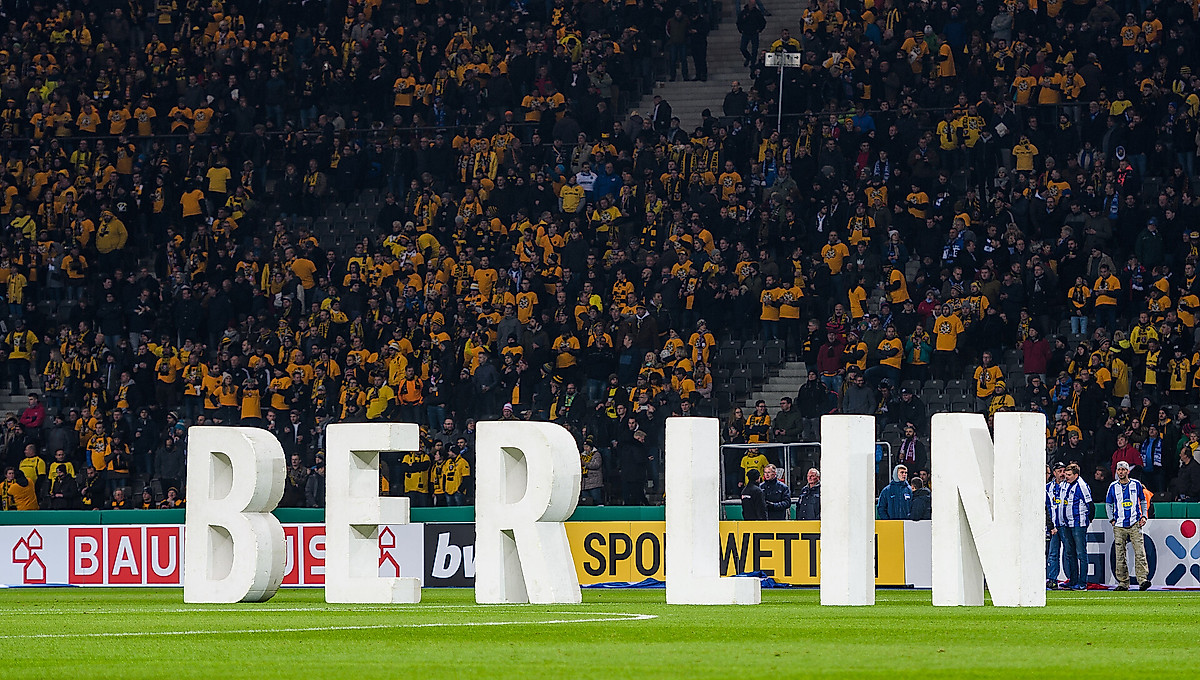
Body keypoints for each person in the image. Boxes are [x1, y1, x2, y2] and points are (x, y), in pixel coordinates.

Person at [1106, 461, 1150, 591]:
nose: (1121, 472)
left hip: (1134, 522)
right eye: (1119, 470)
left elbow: (1143, 500)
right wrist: (1111, 519)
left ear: (1127, 471)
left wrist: (1144, 515)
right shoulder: (1113, 486)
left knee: (1140, 551)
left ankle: (1143, 580)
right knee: (1120, 554)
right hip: (1119, 525)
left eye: (1123, 470)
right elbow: (1108, 503)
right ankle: (1123, 582)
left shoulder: (1136, 484)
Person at [1061, 463, 1095, 590]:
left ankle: (1082, 582)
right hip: (1067, 523)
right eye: (1066, 474)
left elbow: (1091, 505)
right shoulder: (1066, 484)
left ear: (1076, 475)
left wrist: (1088, 520)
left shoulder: (1082, 486)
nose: (1066, 477)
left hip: (1078, 524)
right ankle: (1073, 580)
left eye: (1069, 475)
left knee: (1081, 553)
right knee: (1070, 553)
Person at [1046, 462, 1067, 588]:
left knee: (1068, 553)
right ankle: (1053, 579)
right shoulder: (1047, 488)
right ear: (1054, 473)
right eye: (1059, 471)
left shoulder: (1068, 486)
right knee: (1053, 553)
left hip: (1065, 524)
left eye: (1064, 470)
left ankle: (1070, 578)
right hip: (1053, 526)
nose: (1062, 473)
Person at [580, 437, 604, 506]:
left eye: (587, 447)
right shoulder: (582, 455)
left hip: (594, 483)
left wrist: (585, 464)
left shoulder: (596, 455)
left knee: (597, 500)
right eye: (584, 447)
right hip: (585, 483)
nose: (585, 448)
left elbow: (596, 465)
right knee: (586, 502)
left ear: (591, 447)